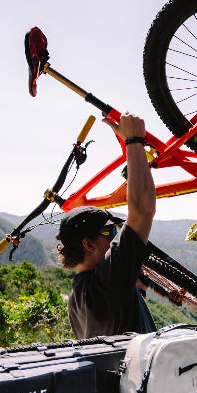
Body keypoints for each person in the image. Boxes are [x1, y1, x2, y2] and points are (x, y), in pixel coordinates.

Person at [56, 112, 157, 338]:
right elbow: (143, 210)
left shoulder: (77, 298)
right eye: (110, 231)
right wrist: (133, 140)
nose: (116, 236)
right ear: (88, 245)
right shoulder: (106, 282)